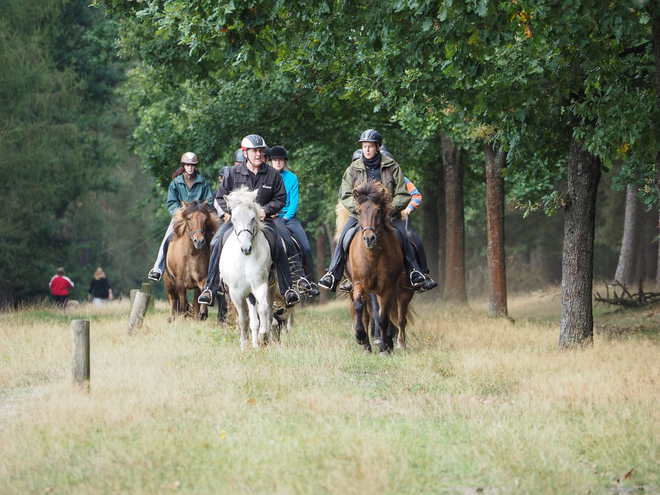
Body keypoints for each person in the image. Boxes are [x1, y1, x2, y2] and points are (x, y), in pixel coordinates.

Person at [198, 134, 304, 308]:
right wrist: (233, 211)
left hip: (265, 220)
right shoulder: (233, 173)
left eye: (261, 151)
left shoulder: (272, 174)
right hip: (239, 222)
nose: (259, 154)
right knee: (216, 241)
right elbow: (220, 197)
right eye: (255, 151)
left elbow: (281, 198)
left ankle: (287, 290)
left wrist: (265, 210)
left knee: (279, 242)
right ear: (245, 153)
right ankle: (210, 288)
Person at [318, 129, 430, 292]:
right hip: (360, 215)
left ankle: (415, 272)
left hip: (388, 215)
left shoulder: (393, 166)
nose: (367, 150)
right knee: (344, 238)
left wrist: (390, 209)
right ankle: (333, 274)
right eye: (364, 146)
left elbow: (402, 193)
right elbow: (345, 194)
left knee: (405, 237)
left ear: (377, 147)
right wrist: (359, 210)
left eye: (370, 146)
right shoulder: (352, 169)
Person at [340, 148, 437, 293]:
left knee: (413, 239)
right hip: (368, 219)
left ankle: (420, 272)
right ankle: (338, 272)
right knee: (343, 238)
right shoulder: (364, 179)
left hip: (394, 215)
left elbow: (415, 195)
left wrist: (407, 207)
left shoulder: (401, 178)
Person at [148, 152, 214, 281]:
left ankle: (217, 274)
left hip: (199, 218)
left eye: (193, 165)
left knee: (215, 238)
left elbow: (209, 201)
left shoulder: (202, 182)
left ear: (195, 166)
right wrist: (181, 214)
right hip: (181, 218)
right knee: (167, 237)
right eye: (188, 165)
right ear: (183, 165)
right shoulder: (175, 183)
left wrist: (203, 212)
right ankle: (158, 268)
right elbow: (171, 203)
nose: (190, 168)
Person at [269, 145, 320, 296]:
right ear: (271, 162)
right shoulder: (267, 177)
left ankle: (309, 281)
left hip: (288, 217)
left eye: (281, 160)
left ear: (285, 162)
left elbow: (294, 203)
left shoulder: (292, 178)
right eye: (275, 160)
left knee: (306, 247)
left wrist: (285, 218)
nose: (278, 162)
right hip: (270, 217)